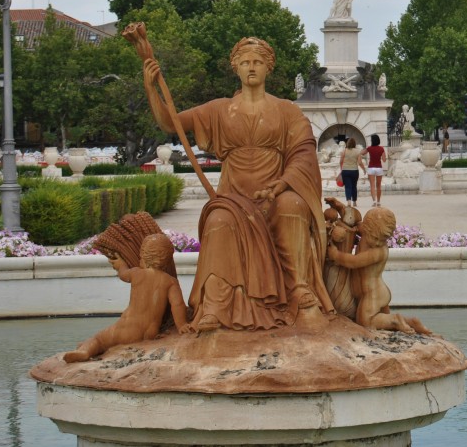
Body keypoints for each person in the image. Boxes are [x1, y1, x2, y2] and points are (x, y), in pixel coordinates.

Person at [143, 36, 334, 332]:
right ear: (236, 68)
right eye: (245, 63)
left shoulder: (287, 110)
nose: (251, 67)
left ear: (268, 67)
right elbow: (171, 123)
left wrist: (283, 183)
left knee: (293, 205)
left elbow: (304, 152)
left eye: (257, 62)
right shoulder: (219, 109)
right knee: (218, 221)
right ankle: (215, 306)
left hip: (274, 194)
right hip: (233, 199)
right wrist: (151, 88)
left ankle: (297, 288)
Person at [63, 233, 190, 362]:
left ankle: (85, 351)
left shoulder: (136, 273)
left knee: (99, 339)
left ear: (143, 255)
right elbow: (177, 305)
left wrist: (120, 264)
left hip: (128, 328)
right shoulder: (170, 281)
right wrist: (182, 325)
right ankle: (89, 347)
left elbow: (123, 274)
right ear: (167, 260)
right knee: (101, 342)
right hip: (150, 333)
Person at [326, 207, 431, 334]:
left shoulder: (377, 252)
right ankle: (411, 322)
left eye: (366, 225)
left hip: (372, 294)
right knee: (382, 322)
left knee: (365, 322)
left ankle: (395, 320)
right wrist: (340, 209)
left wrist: (335, 255)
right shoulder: (368, 238)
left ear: (372, 231)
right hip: (372, 292)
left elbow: (354, 262)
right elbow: (358, 225)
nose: (362, 227)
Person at [339, 137, 366, 208]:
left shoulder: (344, 151)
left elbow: (341, 161)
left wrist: (341, 169)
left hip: (345, 170)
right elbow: (360, 162)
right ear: (354, 144)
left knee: (347, 186)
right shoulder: (357, 151)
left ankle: (348, 201)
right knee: (354, 186)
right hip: (354, 171)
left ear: (347, 143)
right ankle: (354, 201)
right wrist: (364, 169)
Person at [362, 133, 386, 206]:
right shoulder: (381, 149)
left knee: (372, 185)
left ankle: (374, 201)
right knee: (378, 186)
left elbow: (362, 153)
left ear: (372, 141)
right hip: (379, 168)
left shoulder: (369, 148)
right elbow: (384, 160)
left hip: (371, 168)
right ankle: (378, 202)